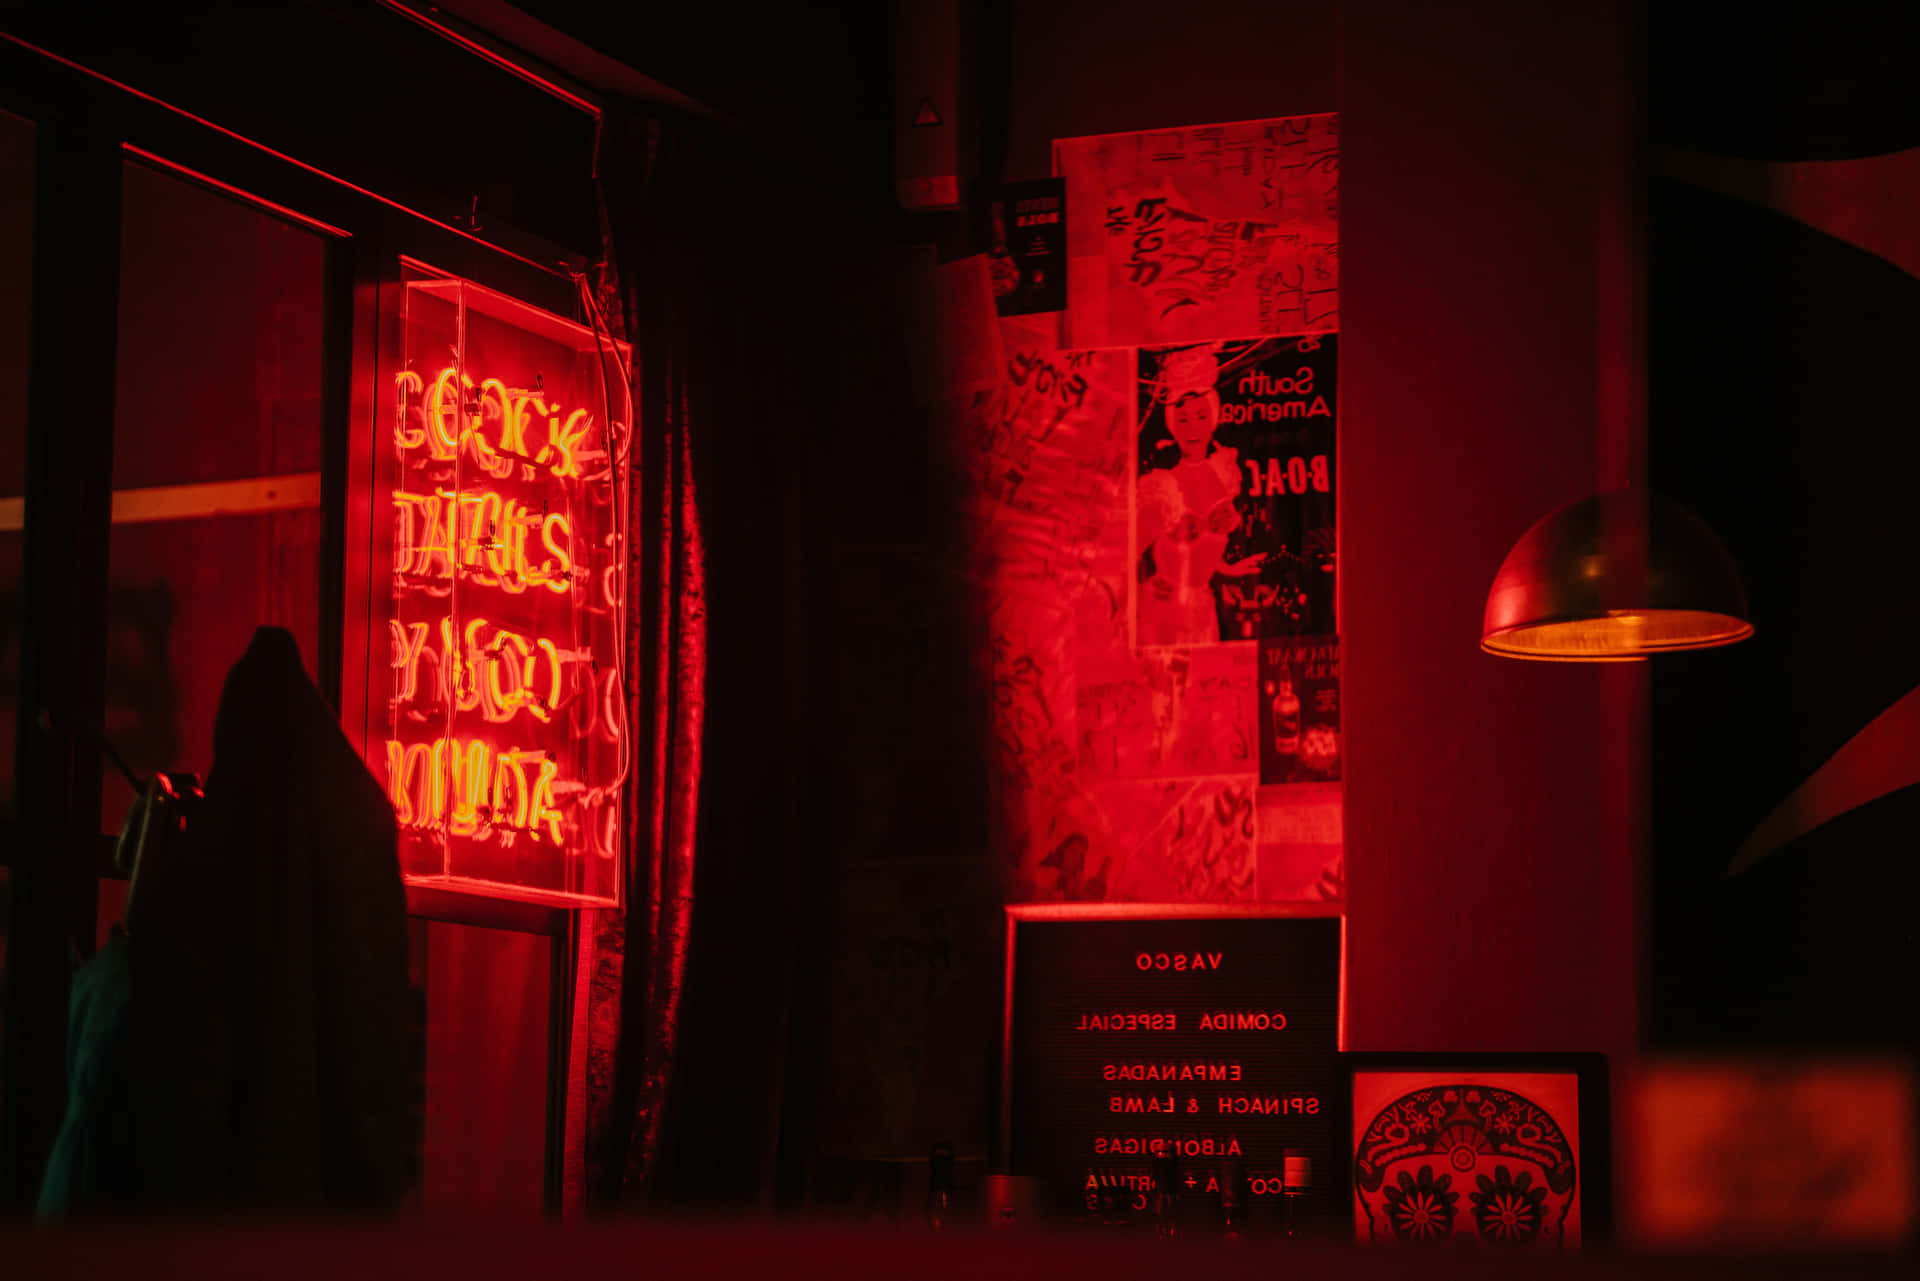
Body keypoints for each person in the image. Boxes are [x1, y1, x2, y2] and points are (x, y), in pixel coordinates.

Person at [1136, 345, 1259, 646]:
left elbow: (1202, 555)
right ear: (1171, 424)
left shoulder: (1223, 475)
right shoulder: (1161, 485)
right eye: (1184, 418)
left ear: (1214, 418)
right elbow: (1137, 554)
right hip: (1162, 606)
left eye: (1201, 416)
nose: (1192, 428)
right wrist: (1155, 574)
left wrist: (1231, 569)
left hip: (1201, 606)